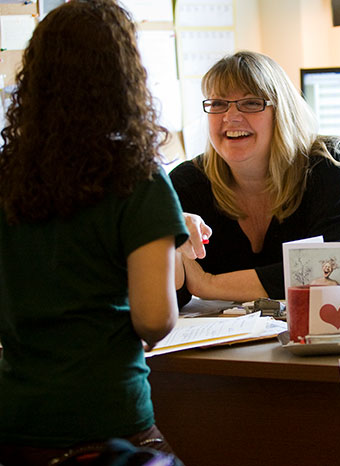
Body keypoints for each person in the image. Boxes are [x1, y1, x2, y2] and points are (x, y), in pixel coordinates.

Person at [0, 1, 189, 465]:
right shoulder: (137, 176)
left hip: (16, 423)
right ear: (126, 76)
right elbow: (154, 319)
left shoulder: (6, 175)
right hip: (108, 421)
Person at [170, 50, 340, 306]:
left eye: (251, 103)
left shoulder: (328, 162)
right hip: (233, 338)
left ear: (281, 112)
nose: (230, 117)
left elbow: (338, 266)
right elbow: (172, 297)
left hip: (337, 327)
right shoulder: (188, 182)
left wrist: (208, 284)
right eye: (218, 104)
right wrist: (169, 243)